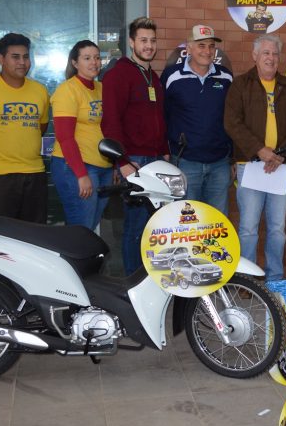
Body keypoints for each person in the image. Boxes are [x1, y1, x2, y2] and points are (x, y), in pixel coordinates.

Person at [224, 34, 286, 280]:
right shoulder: (241, 85)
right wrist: (260, 150)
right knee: (248, 229)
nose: (271, 58)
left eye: (274, 53)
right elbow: (232, 122)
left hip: (280, 168)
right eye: (266, 53)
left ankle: (275, 280)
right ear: (255, 56)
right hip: (250, 166)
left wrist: (280, 154)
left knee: (277, 230)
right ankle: (247, 281)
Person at [101, 17, 166, 274]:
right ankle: (132, 283)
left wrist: (165, 152)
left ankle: (148, 280)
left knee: (153, 228)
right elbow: (111, 122)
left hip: (156, 160)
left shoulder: (153, 77)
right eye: (143, 40)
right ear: (131, 42)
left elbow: (159, 117)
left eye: (152, 40)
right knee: (136, 228)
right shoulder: (118, 75)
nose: (149, 46)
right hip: (135, 161)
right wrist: (123, 161)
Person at [0, 32, 49, 222]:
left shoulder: (39, 90)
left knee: (34, 234)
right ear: (1, 59)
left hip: (34, 173)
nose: (22, 62)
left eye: (26, 57)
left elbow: (41, 127)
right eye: (15, 57)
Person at [161, 25, 234, 214]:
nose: (207, 51)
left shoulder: (225, 76)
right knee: (186, 221)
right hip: (185, 162)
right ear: (189, 48)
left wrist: (233, 157)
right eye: (201, 45)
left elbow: (233, 118)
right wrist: (165, 151)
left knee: (217, 222)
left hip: (219, 164)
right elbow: (161, 115)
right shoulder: (171, 76)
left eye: (211, 46)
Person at [51, 40, 112, 231]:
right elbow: (65, 137)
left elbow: (109, 128)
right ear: (75, 63)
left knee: (90, 227)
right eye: (87, 58)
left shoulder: (101, 88)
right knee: (81, 229)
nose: (94, 62)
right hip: (76, 167)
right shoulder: (67, 90)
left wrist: (115, 164)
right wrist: (81, 174)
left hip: (103, 166)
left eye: (97, 57)